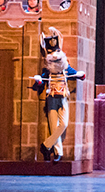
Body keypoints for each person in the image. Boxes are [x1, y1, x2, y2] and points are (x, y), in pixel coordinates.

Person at [31, 27, 86, 162]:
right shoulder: (47, 71)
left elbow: (77, 75)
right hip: (51, 100)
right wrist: (38, 81)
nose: (55, 56)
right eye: (52, 53)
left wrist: (80, 75)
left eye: (56, 52)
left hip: (63, 99)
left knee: (63, 124)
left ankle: (45, 146)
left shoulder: (66, 68)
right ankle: (57, 153)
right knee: (53, 126)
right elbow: (39, 85)